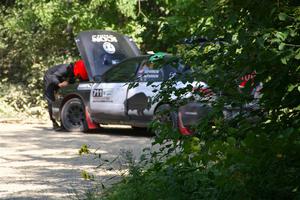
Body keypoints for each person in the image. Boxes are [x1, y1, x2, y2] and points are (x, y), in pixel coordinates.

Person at [44, 59, 88, 130]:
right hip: (50, 78)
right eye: (79, 76)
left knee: (63, 97)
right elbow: (53, 77)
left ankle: (63, 122)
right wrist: (59, 84)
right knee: (51, 100)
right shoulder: (64, 69)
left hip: (60, 78)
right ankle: (54, 122)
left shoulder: (75, 71)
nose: (78, 77)